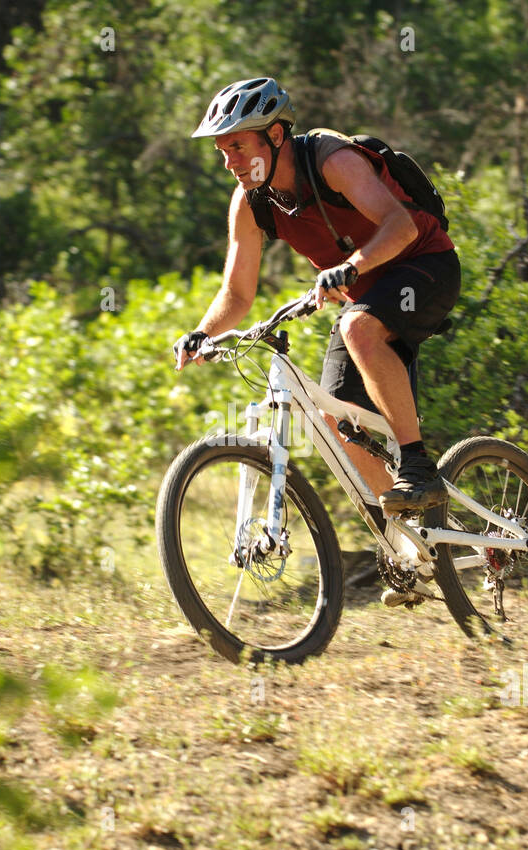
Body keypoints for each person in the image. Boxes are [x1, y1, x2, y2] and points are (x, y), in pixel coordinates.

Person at [173, 78, 461, 592]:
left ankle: (418, 467)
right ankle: (413, 539)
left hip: (425, 265)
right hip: (365, 294)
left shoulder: (333, 161)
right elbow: (237, 295)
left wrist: (349, 267)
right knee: (333, 420)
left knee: (357, 326)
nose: (228, 160)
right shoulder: (251, 202)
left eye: (237, 144)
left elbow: (399, 226)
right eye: (222, 150)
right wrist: (200, 332)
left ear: (277, 134)